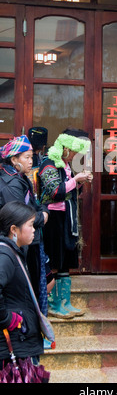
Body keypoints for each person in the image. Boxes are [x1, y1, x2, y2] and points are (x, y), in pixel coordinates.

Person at [38, 128, 92, 319]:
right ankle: (53, 303)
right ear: (66, 148)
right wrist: (76, 179)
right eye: (75, 151)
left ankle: (64, 302)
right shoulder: (49, 163)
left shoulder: (65, 164)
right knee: (54, 260)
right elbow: (56, 192)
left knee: (65, 260)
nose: (77, 155)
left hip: (65, 216)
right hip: (51, 218)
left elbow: (67, 191)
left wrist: (79, 182)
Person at [0, 135, 51, 315]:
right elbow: (19, 216)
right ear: (14, 159)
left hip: (29, 239)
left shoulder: (20, 177)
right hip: (20, 242)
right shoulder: (11, 182)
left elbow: (36, 205)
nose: (31, 161)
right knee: (27, 289)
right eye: (27, 157)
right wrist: (41, 217)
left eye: (31, 157)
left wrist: (42, 211)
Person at [0, 201, 44, 371]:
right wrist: (7, 319)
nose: (34, 229)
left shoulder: (15, 251)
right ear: (14, 229)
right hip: (15, 344)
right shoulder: (5, 254)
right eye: (30, 225)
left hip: (21, 341)